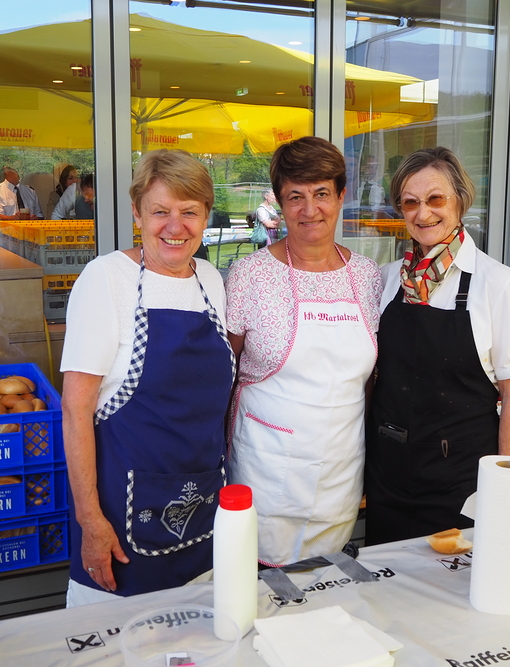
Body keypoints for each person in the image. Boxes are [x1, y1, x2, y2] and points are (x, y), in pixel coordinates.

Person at [61, 149, 234, 605]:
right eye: (160, 212)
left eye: (189, 212)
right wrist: (90, 521)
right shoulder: (106, 279)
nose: (175, 226)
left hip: (202, 513)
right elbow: (75, 411)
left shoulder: (211, 280)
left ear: (206, 216)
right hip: (121, 526)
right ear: (137, 212)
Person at [365, 147, 510, 546]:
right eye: (410, 203)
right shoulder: (387, 280)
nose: (423, 213)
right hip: (388, 476)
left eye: (435, 199)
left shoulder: (498, 284)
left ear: (460, 200)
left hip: (460, 482)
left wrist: (504, 489)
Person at [226, 136, 383, 566]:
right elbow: (224, 373)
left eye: (321, 194)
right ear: (280, 202)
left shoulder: (367, 276)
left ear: (341, 196)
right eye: (295, 196)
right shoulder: (249, 274)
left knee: (325, 583)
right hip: (265, 469)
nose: (310, 209)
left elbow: (369, 380)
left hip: (340, 470)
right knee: (259, 588)